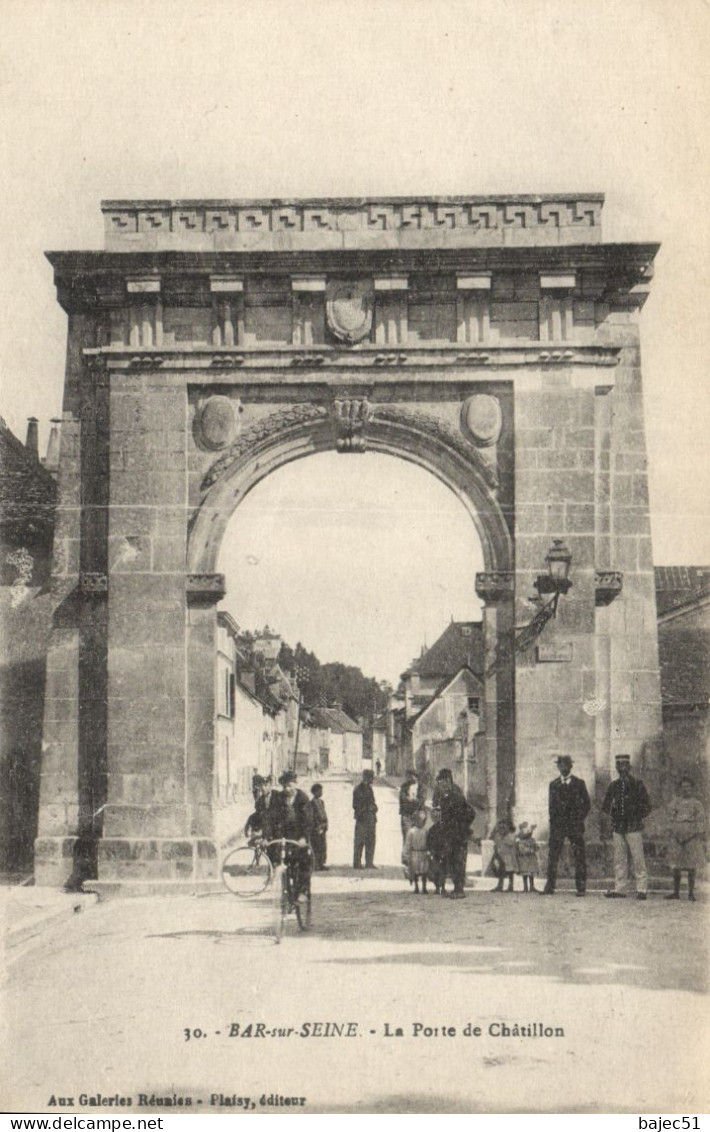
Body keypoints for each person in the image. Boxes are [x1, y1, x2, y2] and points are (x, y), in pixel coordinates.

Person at [602, 754, 652, 900]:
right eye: (619, 766)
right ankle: (620, 889)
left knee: (638, 858)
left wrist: (636, 816)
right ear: (617, 768)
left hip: (634, 826)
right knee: (619, 859)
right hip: (618, 827)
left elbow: (647, 806)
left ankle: (642, 889)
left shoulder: (638, 784)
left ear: (629, 767)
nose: (622, 769)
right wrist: (614, 816)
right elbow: (606, 806)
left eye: (624, 766)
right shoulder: (613, 785)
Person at [543, 755, 590, 897]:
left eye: (565, 765)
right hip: (558, 827)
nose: (563, 768)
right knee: (553, 856)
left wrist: (578, 819)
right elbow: (551, 808)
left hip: (575, 826)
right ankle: (550, 886)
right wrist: (553, 825)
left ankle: (581, 887)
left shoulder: (579, 783)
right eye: (560, 765)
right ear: (558, 767)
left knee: (579, 856)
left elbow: (587, 804)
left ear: (570, 767)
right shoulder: (553, 784)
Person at [435, 768, 475, 899]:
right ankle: (456, 889)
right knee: (452, 861)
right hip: (450, 834)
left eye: (441, 782)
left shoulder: (456, 795)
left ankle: (459, 890)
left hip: (458, 835)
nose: (440, 785)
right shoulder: (446, 795)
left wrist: (462, 827)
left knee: (458, 861)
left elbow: (470, 812)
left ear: (447, 781)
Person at [272, 770, 313, 896]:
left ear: (295, 784)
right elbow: (272, 818)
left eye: (289, 785)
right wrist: (269, 836)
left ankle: (303, 891)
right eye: (284, 786)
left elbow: (308, 820)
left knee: (304, 862)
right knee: (277, 857)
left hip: (299, 835)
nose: (287, 789)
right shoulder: (278, 798)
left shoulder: (303, 798)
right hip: (284, 835)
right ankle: (284, 887)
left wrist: (303, 838)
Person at [665, 776, 705, 902]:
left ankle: (691, 893)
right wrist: (673, 831)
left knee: (691, 865)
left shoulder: (697, 804)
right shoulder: (675, 802)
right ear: (680, 789)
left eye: (688, 787)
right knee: (676, 865)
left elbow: (701, 821)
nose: (685, 790)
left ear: (692, 789)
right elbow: (669, 819)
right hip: (677, 837)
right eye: (683, 787)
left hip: (691, 837)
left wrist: (694, 833)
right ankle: (676, 892)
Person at [353, 769, 378, 868]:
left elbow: (372, 802)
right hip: (362, 819)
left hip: (371, 818)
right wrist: (368, 808)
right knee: (359, 841)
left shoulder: (369, 788)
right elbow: (356, 805)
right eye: (371, 777)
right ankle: (357, 863)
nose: (373, 779)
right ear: (367, 778)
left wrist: (374, 807)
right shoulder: (358, 789)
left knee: (371, 840)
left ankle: (369, 863)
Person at [402, 808, 429, 894]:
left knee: (424, 871)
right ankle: (416, 887)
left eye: (422, 820)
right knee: (415, 871)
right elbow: (407, 844)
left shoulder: (426, 831)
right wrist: (405, 855)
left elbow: (428, 842)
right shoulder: (411, 832)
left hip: (423, 852)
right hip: (414, 853)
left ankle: (424, 887)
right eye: (418, 820)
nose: (420, 822)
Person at [426, 807, 448, 896]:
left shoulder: (445, 829)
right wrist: (429, 851)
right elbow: (428, 842)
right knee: (435, 870)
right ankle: (438, 887)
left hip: (443, 852)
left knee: (442, 870)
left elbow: (447, 840)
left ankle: (442, 887)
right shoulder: (431, 830)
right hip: (435, 852)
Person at [491, 818, 517, 893]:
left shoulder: (511, 835)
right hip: (500, 854)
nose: (502, 829)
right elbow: (496, 844)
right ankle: (500, 885)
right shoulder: (498, 835)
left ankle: (511, 886)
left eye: (504, 827)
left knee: (510, 871)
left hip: (508, 856)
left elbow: (510, 843)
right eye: (500, 827)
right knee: (500, 870)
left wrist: (504, 837)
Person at [515, 821, 540, 893]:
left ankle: (532, 887)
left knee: (531, 873)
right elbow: (522, 850)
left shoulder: (532, 840)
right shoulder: (521, 842)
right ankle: (525, 887)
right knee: (525, 874)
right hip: (524, 859)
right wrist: (531, 850)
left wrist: (536, 847)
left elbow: (536, 847)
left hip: (531, 859)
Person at [399, 769, 422, 844]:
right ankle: (406, 855)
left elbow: (421, 801)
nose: (410, 778)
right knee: (407, 839)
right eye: (409, 777)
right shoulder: (404, 787)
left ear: (416, 777)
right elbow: (403, 799)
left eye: (412, 776)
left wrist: (410, 800)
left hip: (418, 817)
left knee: (417, 841)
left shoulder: (422, 787)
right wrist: (414, 800)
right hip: (406, 816)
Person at [310, 782, 329, 871]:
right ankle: (316, 864)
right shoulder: (311, 803)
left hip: (322, 827)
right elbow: (313, 817)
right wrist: (318, 827)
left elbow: (324, 814)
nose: (321, 792)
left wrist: (324, 825)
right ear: (315, 792)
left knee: (323, 846)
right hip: (316, 828)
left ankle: (321, 863)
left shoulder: (322, 802)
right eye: (319, 791)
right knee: (316, 846)